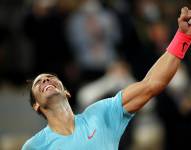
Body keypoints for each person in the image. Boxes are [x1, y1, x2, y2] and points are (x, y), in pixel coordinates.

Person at [22, 7, 191, 150]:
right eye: (39, 82)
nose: (46, 80)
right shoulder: (35, 146)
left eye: (50, 78)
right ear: (36, 105)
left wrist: (183, 36)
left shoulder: (100, 114)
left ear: (66, 92)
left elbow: (152, 84)